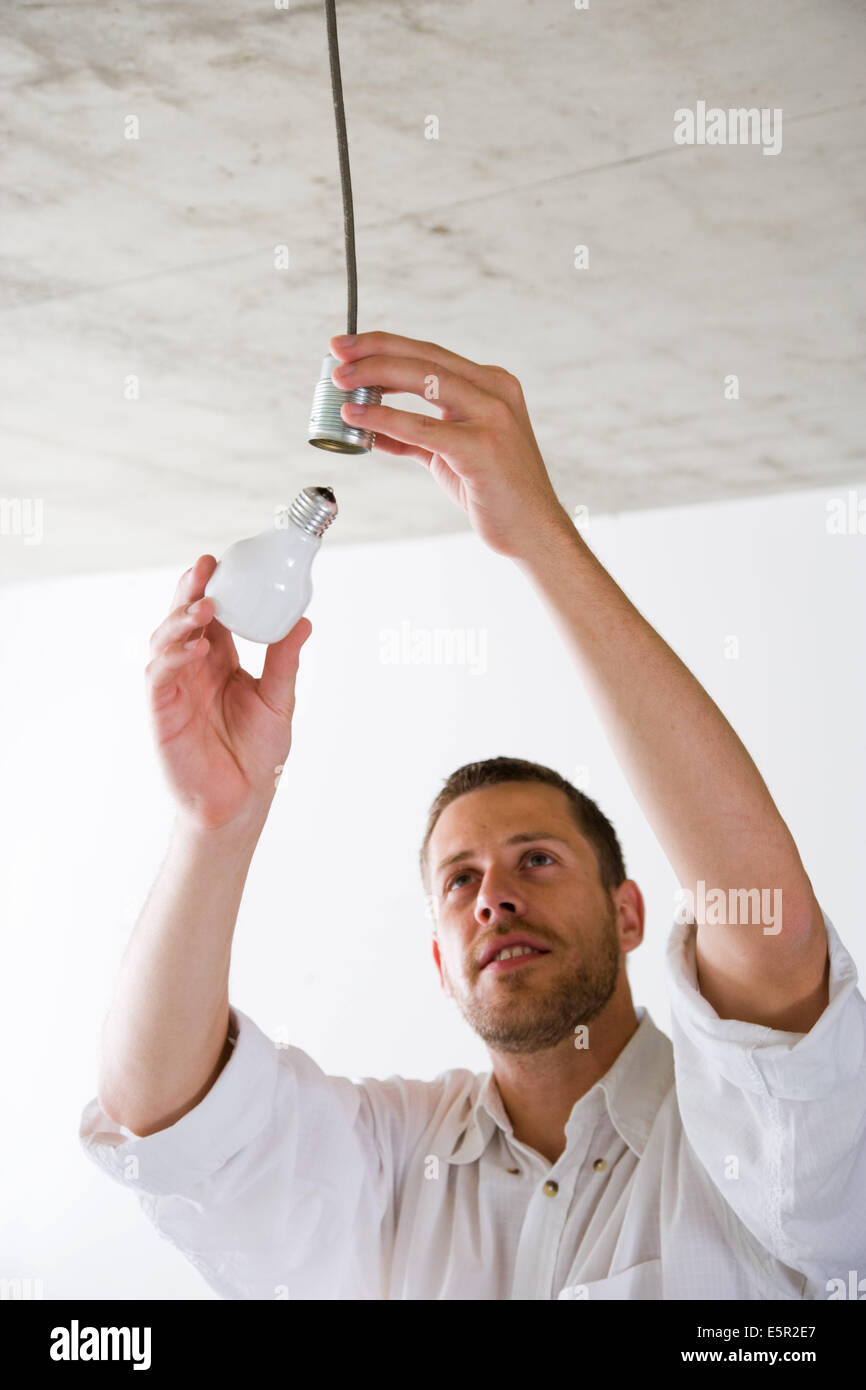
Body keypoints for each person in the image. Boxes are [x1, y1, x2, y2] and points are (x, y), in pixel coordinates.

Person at [80, 331, 866, 1300]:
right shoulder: (386, 1160)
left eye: (534, 859)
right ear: (437, 956)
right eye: (457, 880)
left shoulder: (751, 1145)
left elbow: (768, 930)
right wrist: (214, 824)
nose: (491, 896)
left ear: (627, 913)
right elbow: (160, 1113)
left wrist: (538, 533)